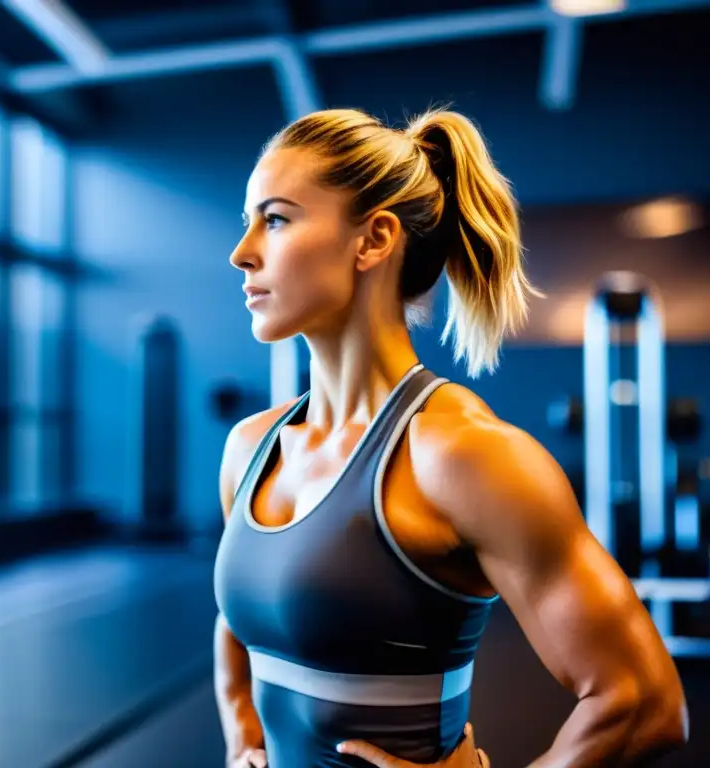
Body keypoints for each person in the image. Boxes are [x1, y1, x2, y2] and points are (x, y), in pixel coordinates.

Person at [212, 107, 689, 768]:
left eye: (275, 219)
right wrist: (242, 737)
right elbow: (237, 622)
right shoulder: (250, 448)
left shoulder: (463, 456)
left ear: (373, 240)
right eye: (248, 222)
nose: (242, 252)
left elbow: (641, 702)